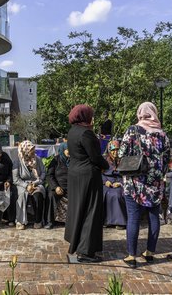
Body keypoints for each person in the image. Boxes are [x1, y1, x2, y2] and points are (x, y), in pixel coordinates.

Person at [118, 102, 170, 268]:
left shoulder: (132, 130)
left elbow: (121, 153)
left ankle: (131, 255)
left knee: (133, 217)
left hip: (134, 183)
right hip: (155, 183)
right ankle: (150, 252)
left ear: (140, 113)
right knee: (154, 216)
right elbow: (168, 158)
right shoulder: (162, 134)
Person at [64, 104, 109, 263]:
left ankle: (76, 244)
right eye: (91, 115)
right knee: (91, 211)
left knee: (78, 209)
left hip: (75, 174)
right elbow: (95, 157)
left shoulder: (72, 131)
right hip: (88, 176)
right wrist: (106, 166)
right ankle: (85, 252)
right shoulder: (86, 133)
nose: (93, 118)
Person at [13, 140, 46, 230]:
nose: (33, 151)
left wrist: (36, 183)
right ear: (26, 150)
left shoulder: (37, 160)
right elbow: (16, 179)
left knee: (38, 195)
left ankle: (38, 221)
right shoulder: (18, 162)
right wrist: (26, 186)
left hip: (36, 183)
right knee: (22, 196)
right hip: (23, 184)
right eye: (31, 150)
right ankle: (20, 221)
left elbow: (43, 173)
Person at [44, 142, 70, 229]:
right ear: (63, 150)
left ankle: (71, 221)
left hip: (71, 187)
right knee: (51, 196)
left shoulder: (74, 161)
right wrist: (56, 187)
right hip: (57, 186)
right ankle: (50, 221)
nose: (69, 151)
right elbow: (49, 175)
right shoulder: (55, 160)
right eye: (67, 149)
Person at [102, 140, 127, 229]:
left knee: (116, 194)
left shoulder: (123, 160)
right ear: (109, 150)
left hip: (119, 182)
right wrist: (105, 181)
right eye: (113, 150)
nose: (115, 152)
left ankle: (120, 222)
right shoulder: (104, 160)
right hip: (107, 183)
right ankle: (107, 220)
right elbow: (99, 173)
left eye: (117, 150)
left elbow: (126, 174)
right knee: (104, 194)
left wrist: (120, 183)